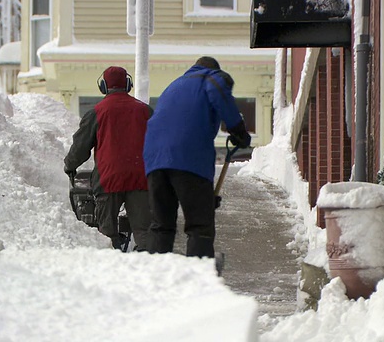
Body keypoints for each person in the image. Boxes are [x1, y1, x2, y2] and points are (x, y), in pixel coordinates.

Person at [143, 56, 251, 259]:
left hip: (155, 161)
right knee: (199, 225)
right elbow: (219, 94)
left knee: (161, 225)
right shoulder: (211, 78)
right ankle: (199, 275)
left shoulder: (175, 85)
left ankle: (156, 275)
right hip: (187, 157)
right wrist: (239, 132)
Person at [64, 66, 153, 252]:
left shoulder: (96, 112)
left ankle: (111, 268)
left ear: (103, 86)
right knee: (144, 232)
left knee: (106, 233)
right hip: (140, 177)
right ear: (128, 84)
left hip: (108, 178)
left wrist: (70, 165)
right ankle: (148, 269)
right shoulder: (145, 111)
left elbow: (80, 147)